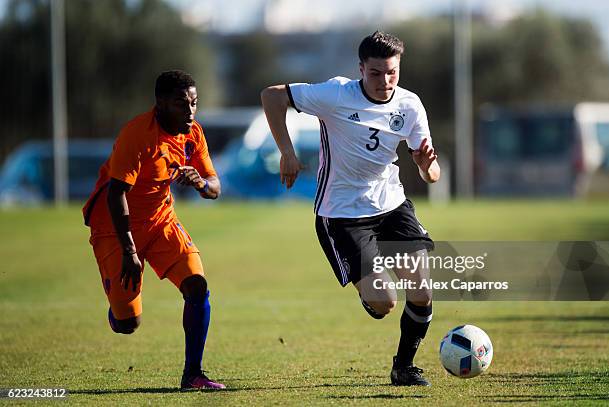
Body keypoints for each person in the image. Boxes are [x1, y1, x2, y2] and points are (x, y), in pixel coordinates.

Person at [261, 31, 440, 386]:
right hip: (343, 214)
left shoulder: (409, 105)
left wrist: (424, 164)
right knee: (384, 302)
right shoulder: (335, 94)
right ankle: (370, 294)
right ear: (361, 69)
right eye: (375, 73)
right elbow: (272, 97)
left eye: (391, 72)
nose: (385, 81)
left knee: (421, 291)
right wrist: (287, 152)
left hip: (392, 205)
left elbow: (432, 174)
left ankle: (403, 367)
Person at [82, 70, 226, 390]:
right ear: (160, 104)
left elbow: (215, 187)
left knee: (197, 287)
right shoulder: (138, 135)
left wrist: (201, 183)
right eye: (180, 103)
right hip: (115, 228)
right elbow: (115, 193)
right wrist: (130, 252)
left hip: (161, 222)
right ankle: (118, 310)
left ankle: (193, 375)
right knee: (127, 323)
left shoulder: (193, 134)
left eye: (194, 103)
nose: (189, 110)